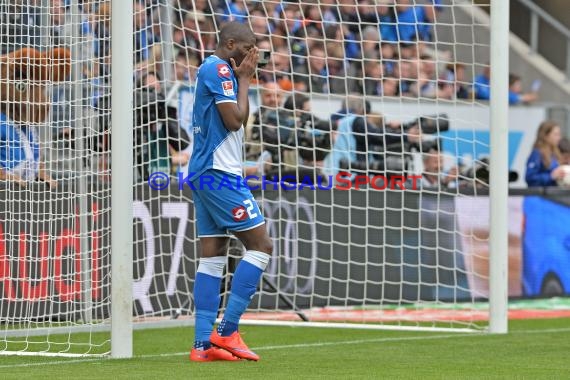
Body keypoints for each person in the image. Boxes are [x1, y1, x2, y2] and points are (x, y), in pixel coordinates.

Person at [187, 21, 272, 362]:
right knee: (261, 245)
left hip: (206, 170)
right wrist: (246, 78)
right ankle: (227, 331)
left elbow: (240, 117)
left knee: (213, 254)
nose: (253, 54)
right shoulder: (219, 69)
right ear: (231, 43)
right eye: (249, 47)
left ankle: (201, 346)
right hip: (218, 172)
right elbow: (235, 121)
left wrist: (244, 80)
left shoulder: (219, 70)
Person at [525, 120, 565, 187]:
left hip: (554, 195)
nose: (559, 138)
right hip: (540, 195)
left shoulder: (555, 154)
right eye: (556, 134)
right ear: (545, 136)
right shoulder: (537, 154)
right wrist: (551, 176)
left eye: (559, 134)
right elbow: (530, 178)